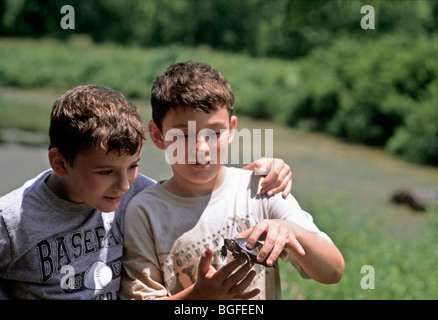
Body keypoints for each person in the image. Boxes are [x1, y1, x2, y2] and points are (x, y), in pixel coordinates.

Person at [0, 84, 292, 300]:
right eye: (106, 172)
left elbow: (190, 192)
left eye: (133, 166)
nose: (124, 184)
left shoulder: (139, 195)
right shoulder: (11, 220)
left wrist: (262, 171)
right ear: (60, 163)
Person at [120, 61, 345, 300]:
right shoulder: (145, 212)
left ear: (231, 130)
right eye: (184, 134)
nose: (201, 148)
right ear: (157, 135)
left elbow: (333, 272)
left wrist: (292, 232)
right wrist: (199, 296)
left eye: (215, 132)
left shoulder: (261, 189)